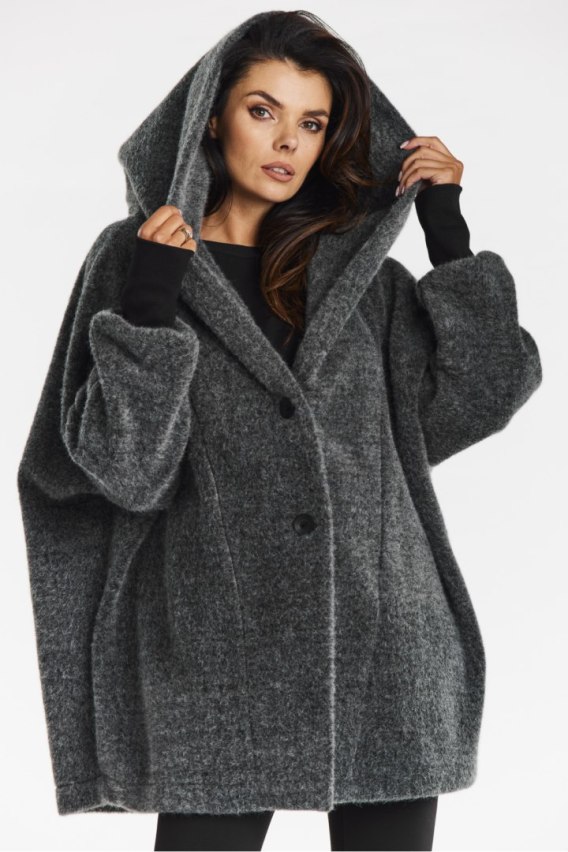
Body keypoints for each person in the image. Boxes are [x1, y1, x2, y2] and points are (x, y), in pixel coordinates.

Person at [17, 10, 542, 852]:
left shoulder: (366, 283)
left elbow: (480, 397)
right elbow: (125, 470)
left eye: (313, 122)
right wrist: (150, 306)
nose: (287, 141)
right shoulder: (136, 258)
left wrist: (449, 238)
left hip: (382, 648)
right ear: (211, 118)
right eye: (263, 110)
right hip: (213, 645)